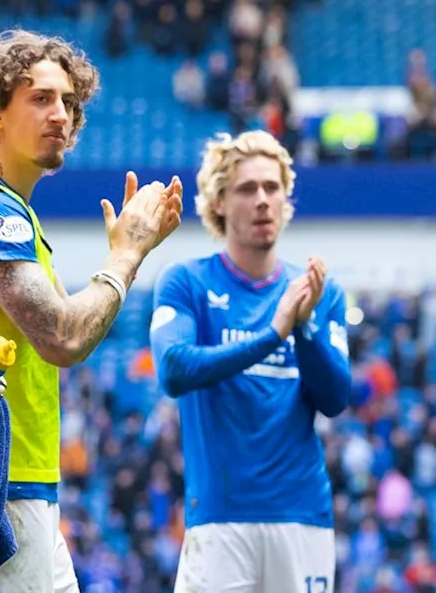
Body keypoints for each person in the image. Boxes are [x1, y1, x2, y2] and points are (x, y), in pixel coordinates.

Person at [0, 30, 183, 592]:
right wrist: (127, 254)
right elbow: (61, 335)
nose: (60, 114)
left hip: (5, 484)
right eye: (40, 98)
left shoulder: (1, 211)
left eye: (68, 102)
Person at [149, 131, 352, 592]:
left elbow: (336, 397)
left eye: (272, 187)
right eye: (246, 189)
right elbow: (174, 370)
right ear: (218, 202)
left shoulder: (318, 291)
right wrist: (273, 333)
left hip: (302, 519)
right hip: (219, 519)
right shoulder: (186, 282)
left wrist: (304, 327)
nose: (262, 200)